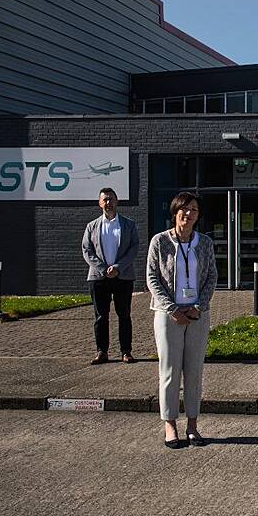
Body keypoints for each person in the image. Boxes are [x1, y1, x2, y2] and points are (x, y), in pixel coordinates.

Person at [146, 191, 217, 449]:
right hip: (168, 316)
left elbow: (211, 277)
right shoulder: (160, 241)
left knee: (194, 371)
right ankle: (170, 425)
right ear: (175, 211)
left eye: (194, 210)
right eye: (184, 209)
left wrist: (198, 307)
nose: (188, 214)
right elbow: (152, 278)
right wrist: (173, 308)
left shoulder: (205, 243)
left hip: (198, 315)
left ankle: (193, 425)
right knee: (170, 371)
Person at [81, 187, 140, 365]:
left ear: (117, 201)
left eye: (111, 199)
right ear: (100, 203)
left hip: (122, 277)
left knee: (124, 315)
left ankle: (126, 351)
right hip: (98, 278)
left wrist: (117, 267)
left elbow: (134, 248)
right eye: (105, 199)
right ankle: (102, 352)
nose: (108, 202)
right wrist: (102, 268)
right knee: (101, 316)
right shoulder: (91, 226)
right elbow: (87, 250)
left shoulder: (129, 224)